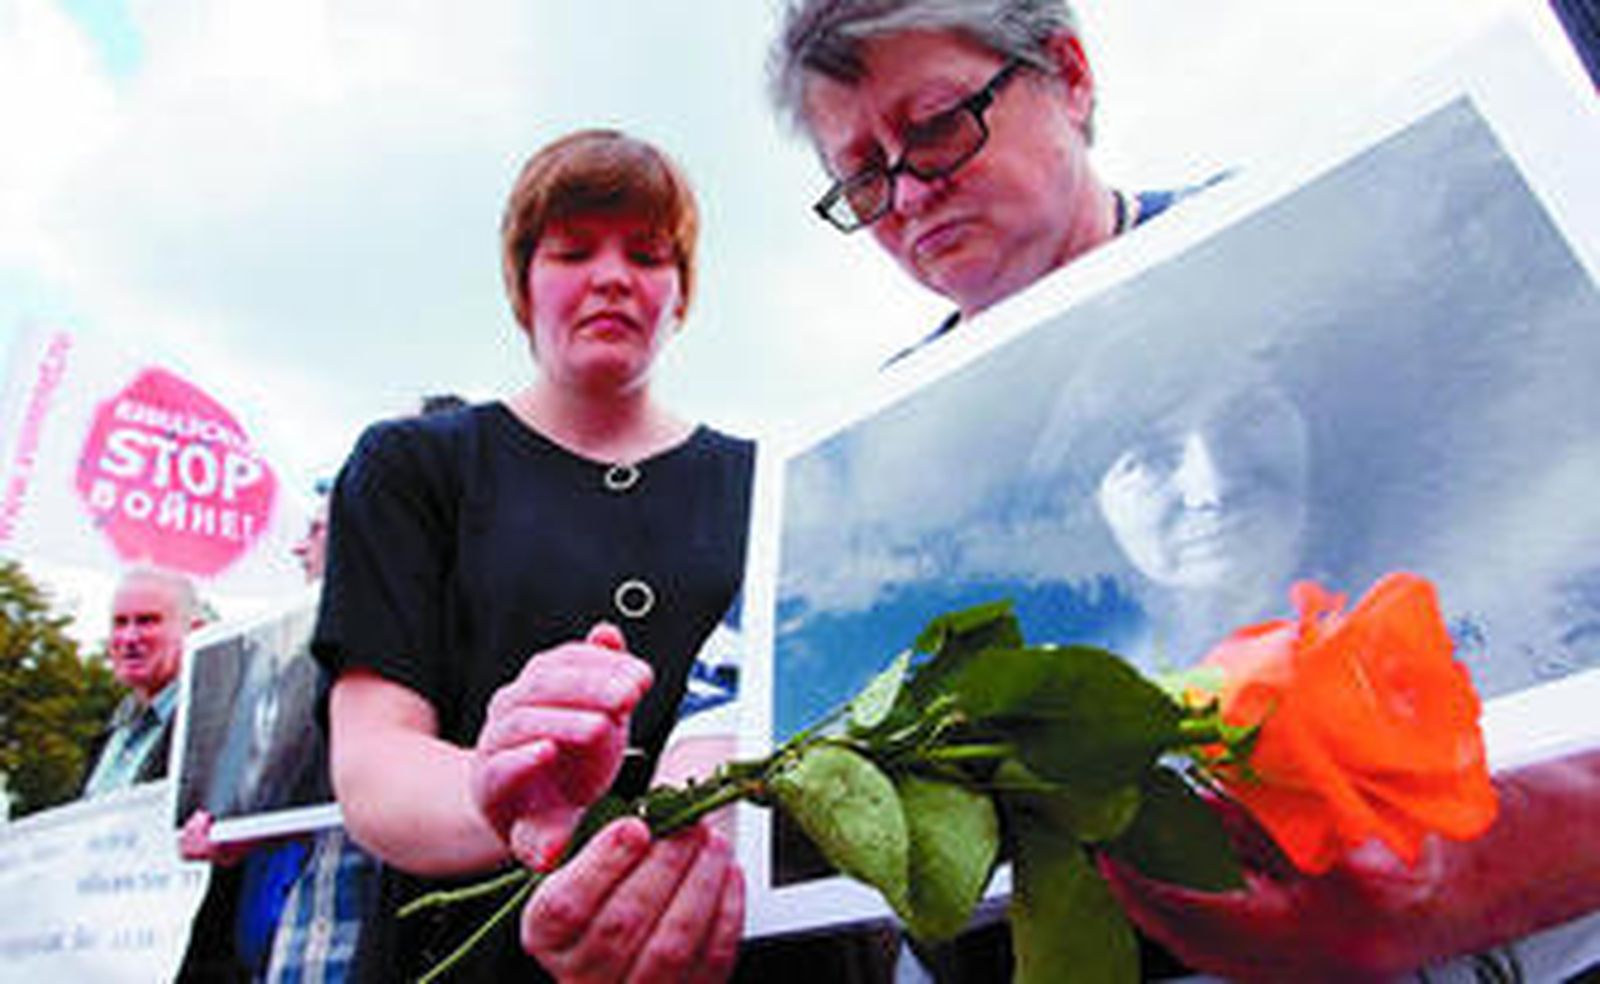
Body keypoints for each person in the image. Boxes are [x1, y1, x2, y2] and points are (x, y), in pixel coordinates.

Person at [767, 1, 1600, 978]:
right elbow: (733, 716)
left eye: (938, 126)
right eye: (862, 177)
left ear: (1069, 75)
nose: (908, 194)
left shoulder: (1337, 259)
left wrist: (1495, 871)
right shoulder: (867, 470)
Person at [313, 129, 750, 982]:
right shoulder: (411, 466)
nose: (612, 277)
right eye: (573, 250)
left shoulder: (766, 482)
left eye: (648, 254)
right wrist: (503, 793)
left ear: (681, 293)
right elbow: (374, 766)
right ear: (522, 284)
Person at [81, 566, 201, 796]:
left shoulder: (211, 729)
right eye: (120, 623)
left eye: (147, 621)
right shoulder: (112, 732)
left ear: (194, 632)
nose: (129, 638)